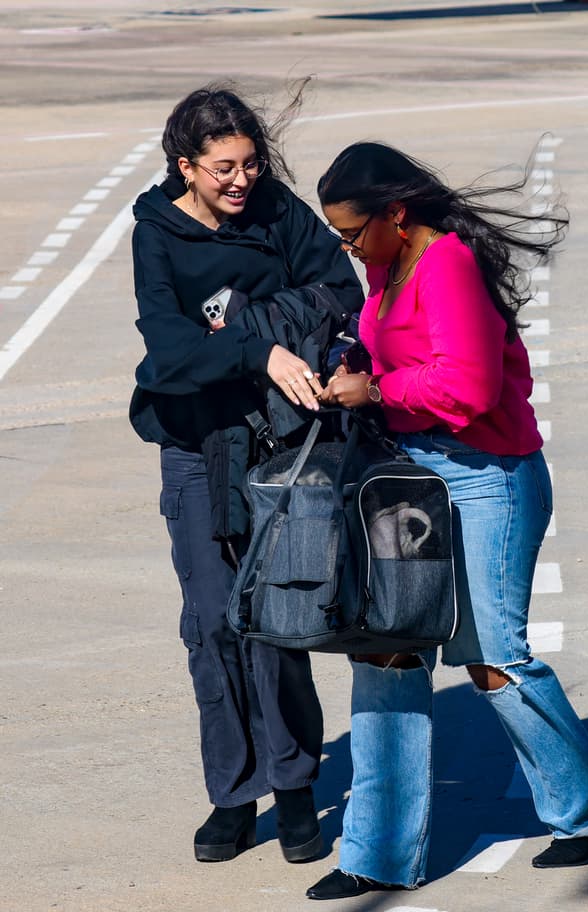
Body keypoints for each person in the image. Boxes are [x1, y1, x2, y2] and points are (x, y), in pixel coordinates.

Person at [311, 142, 588, 901]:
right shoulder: (387, 265)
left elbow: (472, 386)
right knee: (387, 649)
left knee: (494, 655)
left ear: (396, 212)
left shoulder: (447, 262)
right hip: (411, 482)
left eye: (353, 233)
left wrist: (376, 390)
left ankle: (585, 812)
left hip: (490, 480)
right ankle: (377, 854)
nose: (348, 248)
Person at [129, 85, 364, 864]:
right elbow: (169, 356)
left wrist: (272, 333)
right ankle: (232, 794)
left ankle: (295, 787)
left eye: (251, 164)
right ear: (184, 166)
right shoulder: (157, 234)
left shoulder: (275, 210)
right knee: (211, 626)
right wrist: (256, 346)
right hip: (196, 449)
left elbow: (341, 292)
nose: (241, 181)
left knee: (275, 621)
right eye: (223, 168)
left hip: (279, 443)